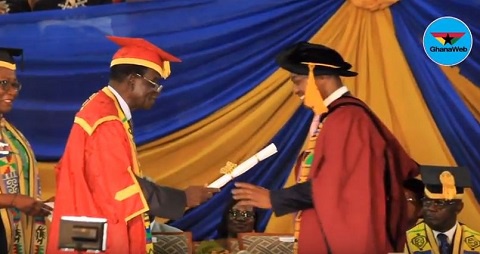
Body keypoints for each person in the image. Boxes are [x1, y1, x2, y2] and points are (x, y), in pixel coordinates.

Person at [231, 42, 420, 253]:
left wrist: (275, 199)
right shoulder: (334, 117)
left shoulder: (347, 119)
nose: (295, 90)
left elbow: (335, 183)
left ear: (321, 76)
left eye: (297, 81)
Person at [47, 36, 219, 254]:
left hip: (88, 223)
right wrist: (183, 198)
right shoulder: (106, 120)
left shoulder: (102, 108)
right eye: (154, 82)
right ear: (132, 80)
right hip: (97, 231)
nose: (157, 91)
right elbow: (121, 187)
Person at [0, 48, 52, 253]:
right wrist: (13, 200)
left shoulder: (11, 133)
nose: (12, 91)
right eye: (4, 84)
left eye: (14, 85)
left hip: (15, 234)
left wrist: (38, 204)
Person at [405, 166, 480, 254]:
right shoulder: (405, 241)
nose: (431, 208)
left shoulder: (477, 242)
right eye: (427, 202)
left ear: (459, 207)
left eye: (439, 203)